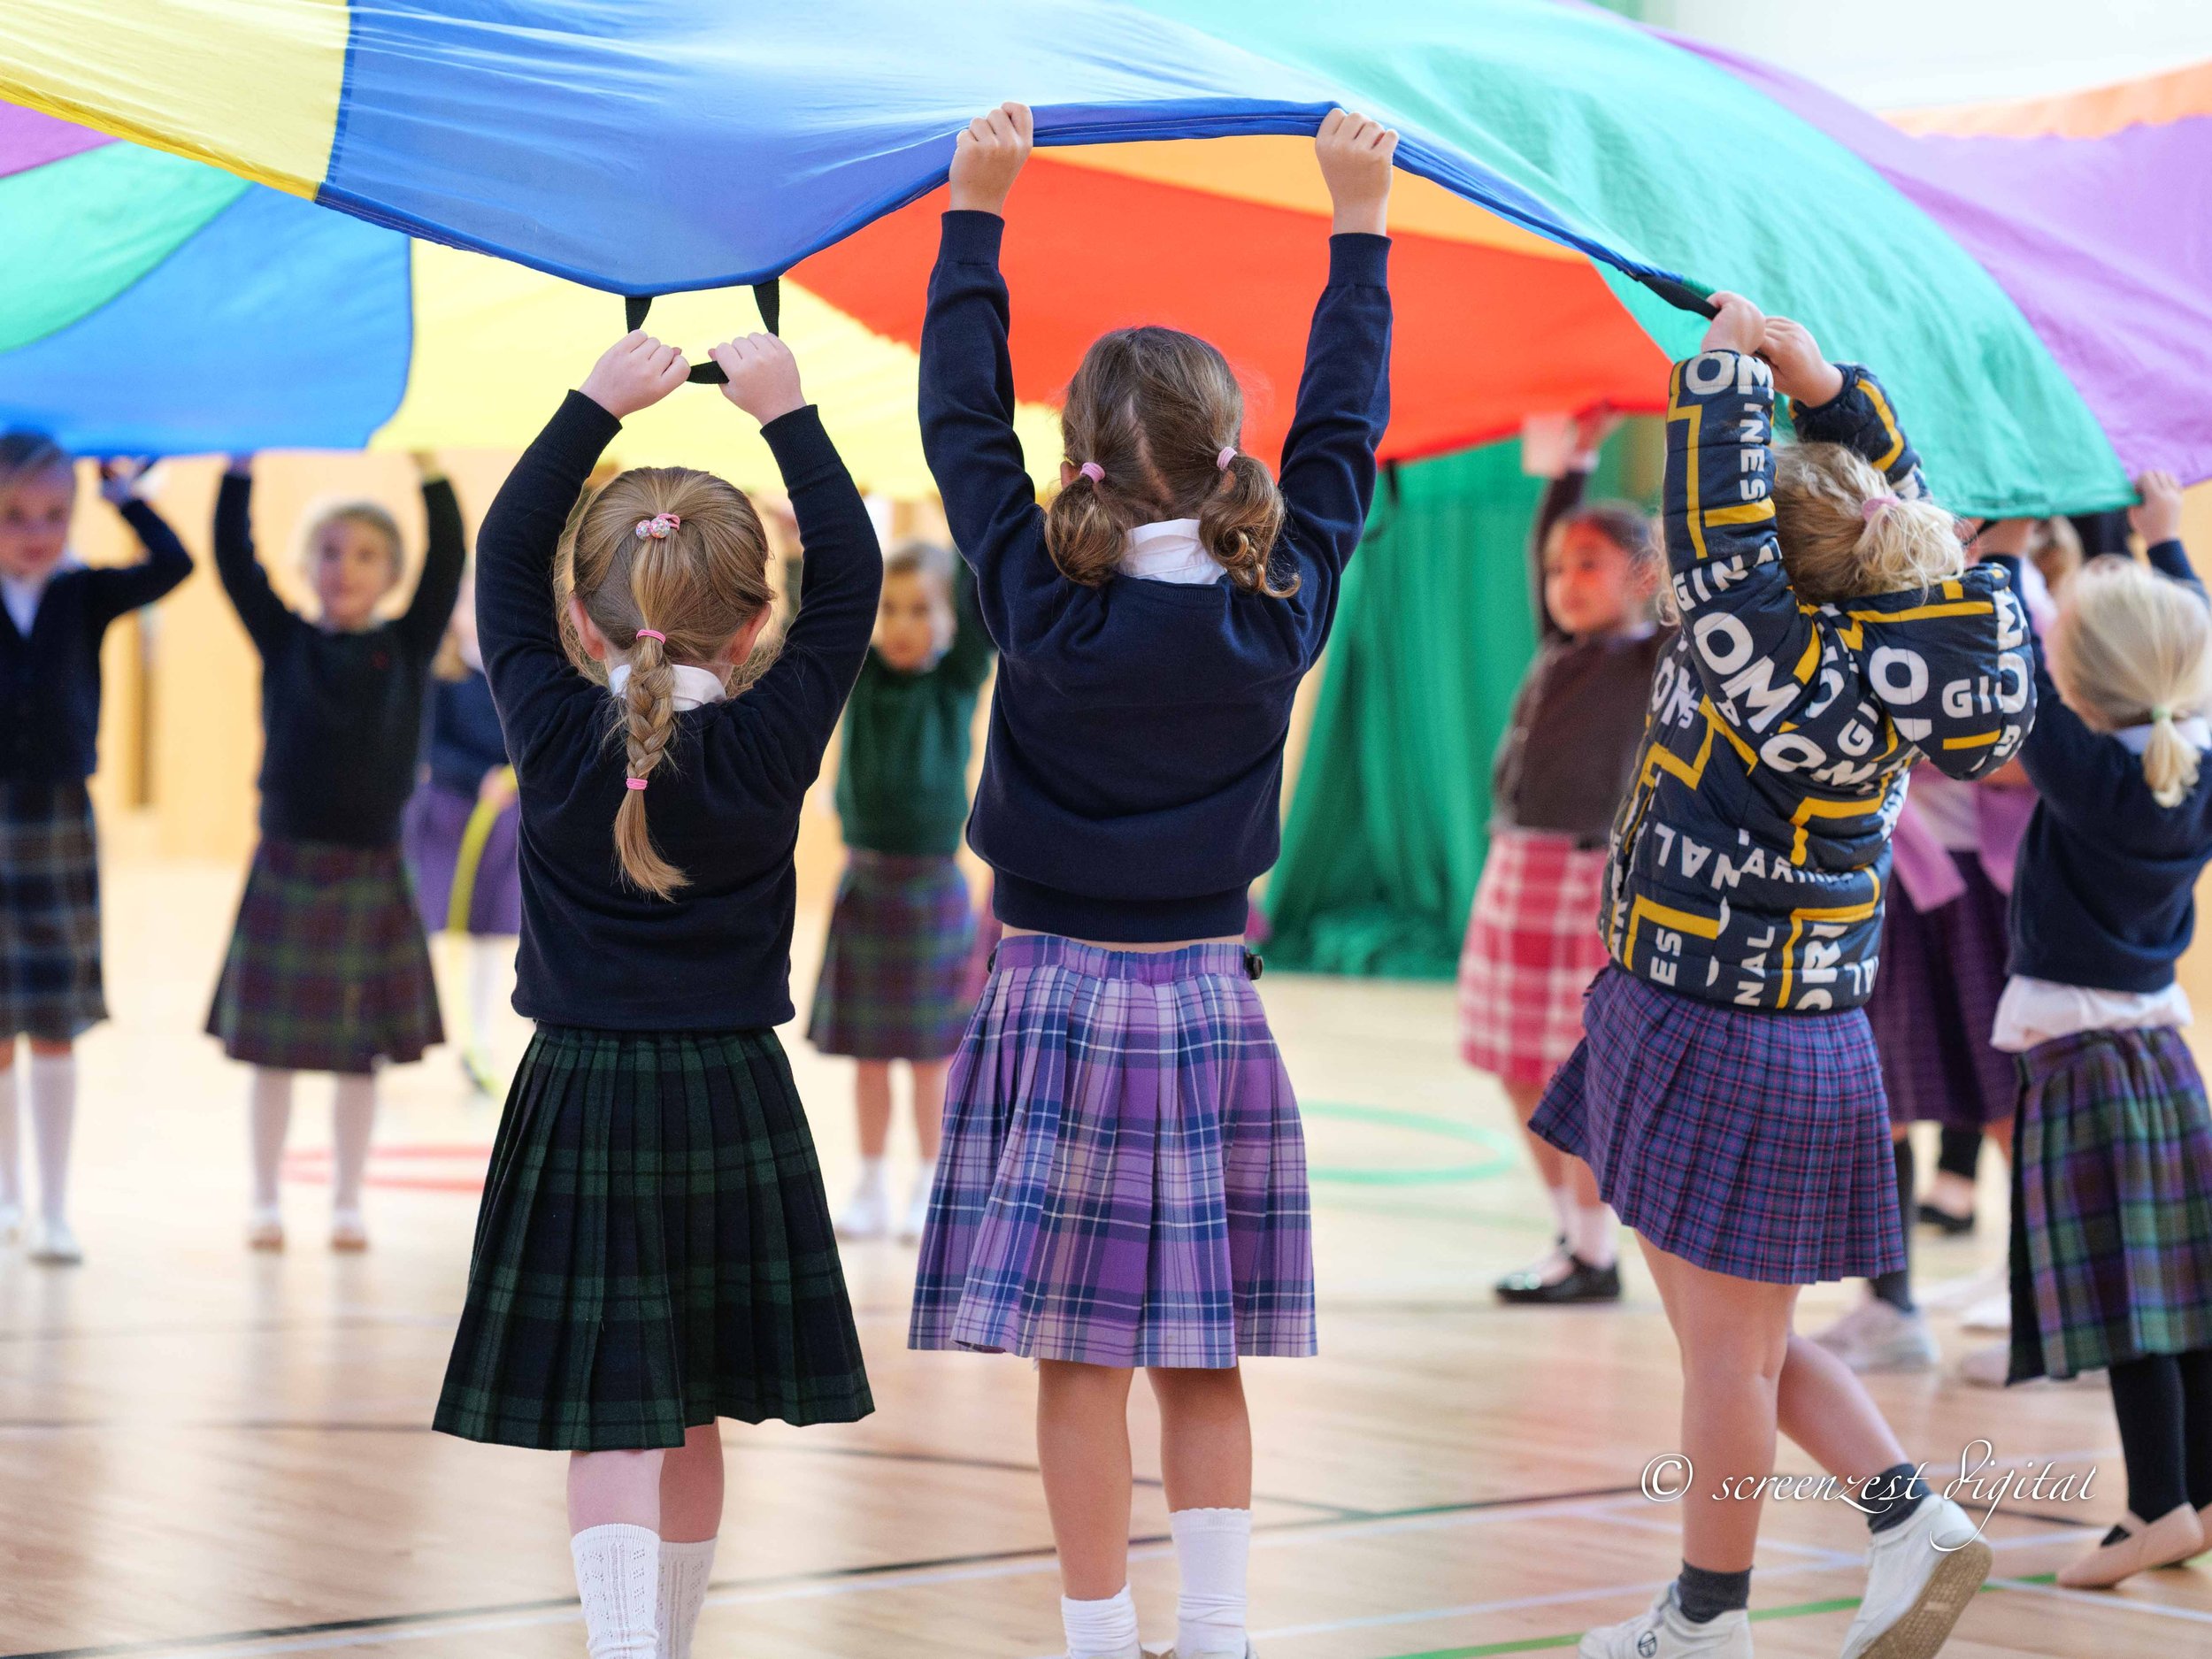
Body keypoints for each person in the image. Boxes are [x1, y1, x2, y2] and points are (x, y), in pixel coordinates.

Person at [907, 104, 1394, 1659]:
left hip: (1049, 995)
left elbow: (955, 427)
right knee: (1204, 1354)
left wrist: (976, 215)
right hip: (1199, 1004)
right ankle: (1224, 1632)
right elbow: (1345, 432)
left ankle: (1101, 1633)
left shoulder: (1037, 594)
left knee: (1076, 1359)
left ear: (1082, 465)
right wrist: (1357, 222)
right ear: (1225, 453)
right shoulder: (1281, 609)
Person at [1531, 297, 2032, 1658]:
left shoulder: (1768, 654)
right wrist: (1815, 376)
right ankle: (1907, 1518)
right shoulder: (1880, 656)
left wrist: (1726, 370)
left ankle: (1706, 1618)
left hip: (1711, 1025)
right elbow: (1892, 515)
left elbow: (1718, 525)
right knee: (1732, 1335)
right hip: (1787, 1028)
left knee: (1726, 1351)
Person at [433, 327, 879, 1659]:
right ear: (752, 624)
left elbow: (499, 555)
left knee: (615, 1414)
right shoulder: (771, 732)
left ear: (579, 617)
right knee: (688, 1410)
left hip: (582, 1094)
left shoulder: (547, 718)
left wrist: (589, 405)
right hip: (730, 1093)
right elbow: (851, 577)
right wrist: (788, 413)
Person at [1984, 478, 2212, 1586]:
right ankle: (2199, 1492)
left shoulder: (2081, 775)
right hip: (2162, 1052)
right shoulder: (2196, 758)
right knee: (2188, 1289)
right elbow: (2175, 648)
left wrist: (1995, 556)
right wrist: (2158, 546)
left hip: (2085, 1060)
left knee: (2132, 1300)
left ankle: (2157, 1504)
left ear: (2080, 682)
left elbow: (2008, 664)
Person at [207, 455, 462, 1252]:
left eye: (363, 555)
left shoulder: (408, 644)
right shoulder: (283, 638)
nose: (342, 569)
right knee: (270, 1054)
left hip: (370, 865)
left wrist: (429, 471)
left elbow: (449, 555)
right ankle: (264, 1195)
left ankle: (348, 1199)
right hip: (289, 858)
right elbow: (230, 555)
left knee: (361, 1053)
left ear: (390, 573)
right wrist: (240, 468)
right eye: (328, 551)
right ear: (307, 562)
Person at [1461, 411, 1665, 1303]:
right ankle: (1571, 1238)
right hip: (1517, 870)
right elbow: (1549, 531)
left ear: (1644, 577)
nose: (1565, 580)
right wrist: (1570, 463)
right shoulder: (1561, 650)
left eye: (1589, 564)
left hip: (1590, 881)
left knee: (1574, 1069)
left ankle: (1594, 1251)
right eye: (1557, 568)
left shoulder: (1653, 658)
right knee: (1512, 1062)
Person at [0, 434, 192, 1264]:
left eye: (51, 514)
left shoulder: (82, 595)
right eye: (13, 515)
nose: (34, 532)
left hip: (56, 818)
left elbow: (172, 563)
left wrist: (125, 491)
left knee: (53, 1020)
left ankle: (53, 1204)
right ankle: (6, 1198)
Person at [811, 538, 994, 1242]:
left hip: (932, 888)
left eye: (920, 609)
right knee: (868, 1060)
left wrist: (972, 529)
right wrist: (805, 550)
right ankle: (868, 1181)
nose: (901, 624)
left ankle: (929, 1184)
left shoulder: (956, 679)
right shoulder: (862, 676)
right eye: (890, 608)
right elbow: (821, 613)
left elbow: (981, 617)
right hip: (866, 884)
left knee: (927, 1063)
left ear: (947, 620)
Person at [403, 585, 521, 1094]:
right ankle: (394, 1032)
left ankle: (479, 1042)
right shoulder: (440, 676)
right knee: (424, 929)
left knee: (491, 937)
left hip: (506, 822)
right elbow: (431, 747)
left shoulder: (514, 673)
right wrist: (480, 780)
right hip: (448, 816)